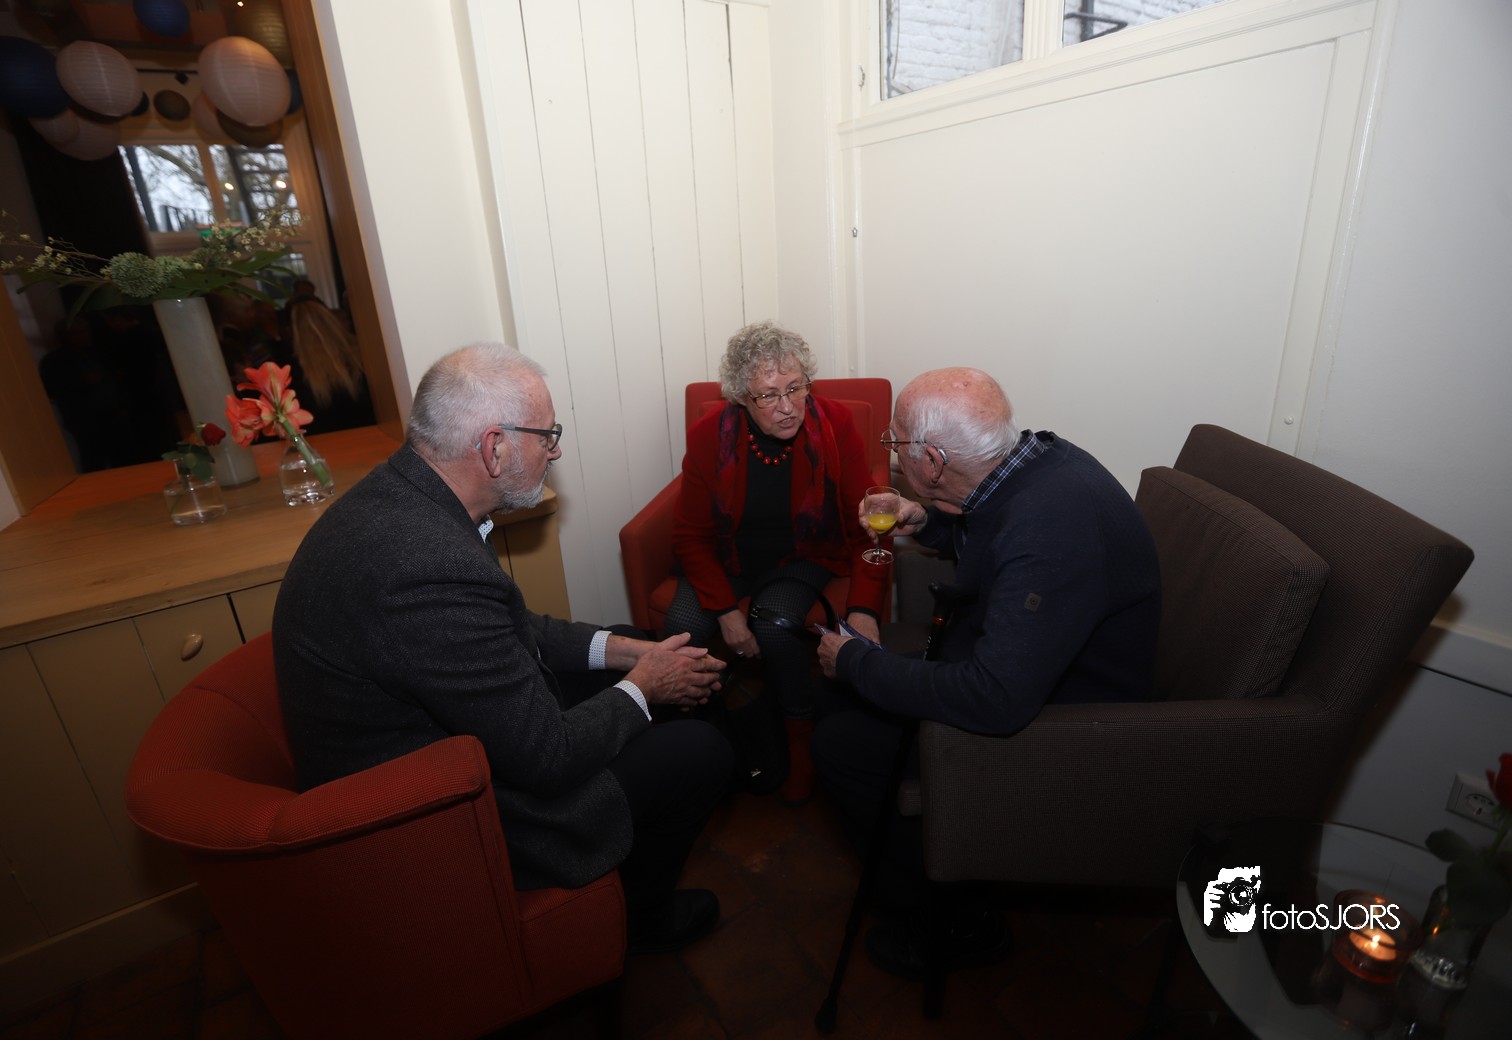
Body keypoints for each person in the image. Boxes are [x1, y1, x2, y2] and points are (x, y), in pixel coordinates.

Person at [273, 343, 734, 954]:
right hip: (433, 812)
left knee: (643, 645)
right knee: (700, 751)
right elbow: (547, 758)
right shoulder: (425, 565)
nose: (556, 450)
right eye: (547, 435)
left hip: (439, 742)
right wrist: (647, 683)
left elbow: (510, 627)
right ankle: (638, 919)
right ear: (493, 448)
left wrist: (628, 652)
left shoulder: (413, 498)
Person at [812, 367, 1161, 979]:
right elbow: (995, 531)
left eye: (896, 444)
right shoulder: (1034, 465)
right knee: (842, 702)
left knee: (840, 742)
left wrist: (857, 661)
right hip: (1018, 673)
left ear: (932, 462)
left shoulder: (1052, 526)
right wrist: (929, 521)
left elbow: (995, 697)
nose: (891, 455)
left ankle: (947, 916)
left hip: (1064, 727)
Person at [665, 321, 891, 807]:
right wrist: (727, 613)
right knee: (681, 626)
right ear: (740, 399)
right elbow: (691, 535)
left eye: (795, 388)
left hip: (804, 552)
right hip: (728, 555)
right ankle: (699, 742)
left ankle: (799, 738)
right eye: (768, 395)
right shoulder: (709, 436)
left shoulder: (835, 425)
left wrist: (865, 610)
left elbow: (870, 526)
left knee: (774, 624)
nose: (787, 406)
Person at [278, 295, 375, 434]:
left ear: (291, 330)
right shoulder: (361, 356)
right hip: (370, 435)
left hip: (321, 443)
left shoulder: (289, 371)